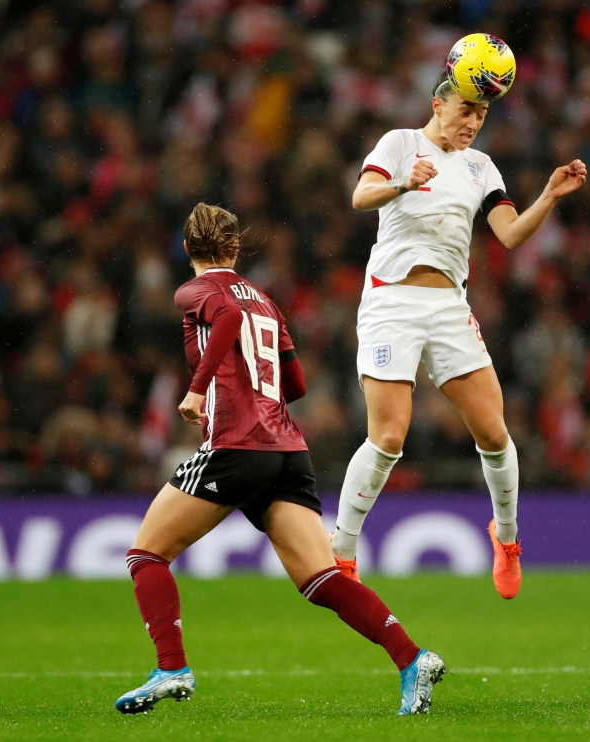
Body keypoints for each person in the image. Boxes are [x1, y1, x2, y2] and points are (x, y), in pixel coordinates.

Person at [114, 204, 445, 716]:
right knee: (322, 578)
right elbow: (296, 385)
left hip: (233, 445)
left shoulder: (196, 292)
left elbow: (223, 318)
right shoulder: (266, 302)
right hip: (287, 450)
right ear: (236, 247)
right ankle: (411, 658)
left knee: (146, 556)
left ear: (188, 249)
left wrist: (199, 391)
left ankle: (172, 668)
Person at [330, 69, 587, 598]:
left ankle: (508, 540)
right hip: (391, 300)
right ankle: (342, 549)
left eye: (482, 115)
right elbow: (360, 197)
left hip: (449, 304)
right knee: (389, 436)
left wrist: (549, 196)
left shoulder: (480, 166)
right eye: (466, 111)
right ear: (438, 104)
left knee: (494, 434)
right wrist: (404, 182)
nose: (473, 123)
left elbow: (510, 234)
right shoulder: (400, 143)